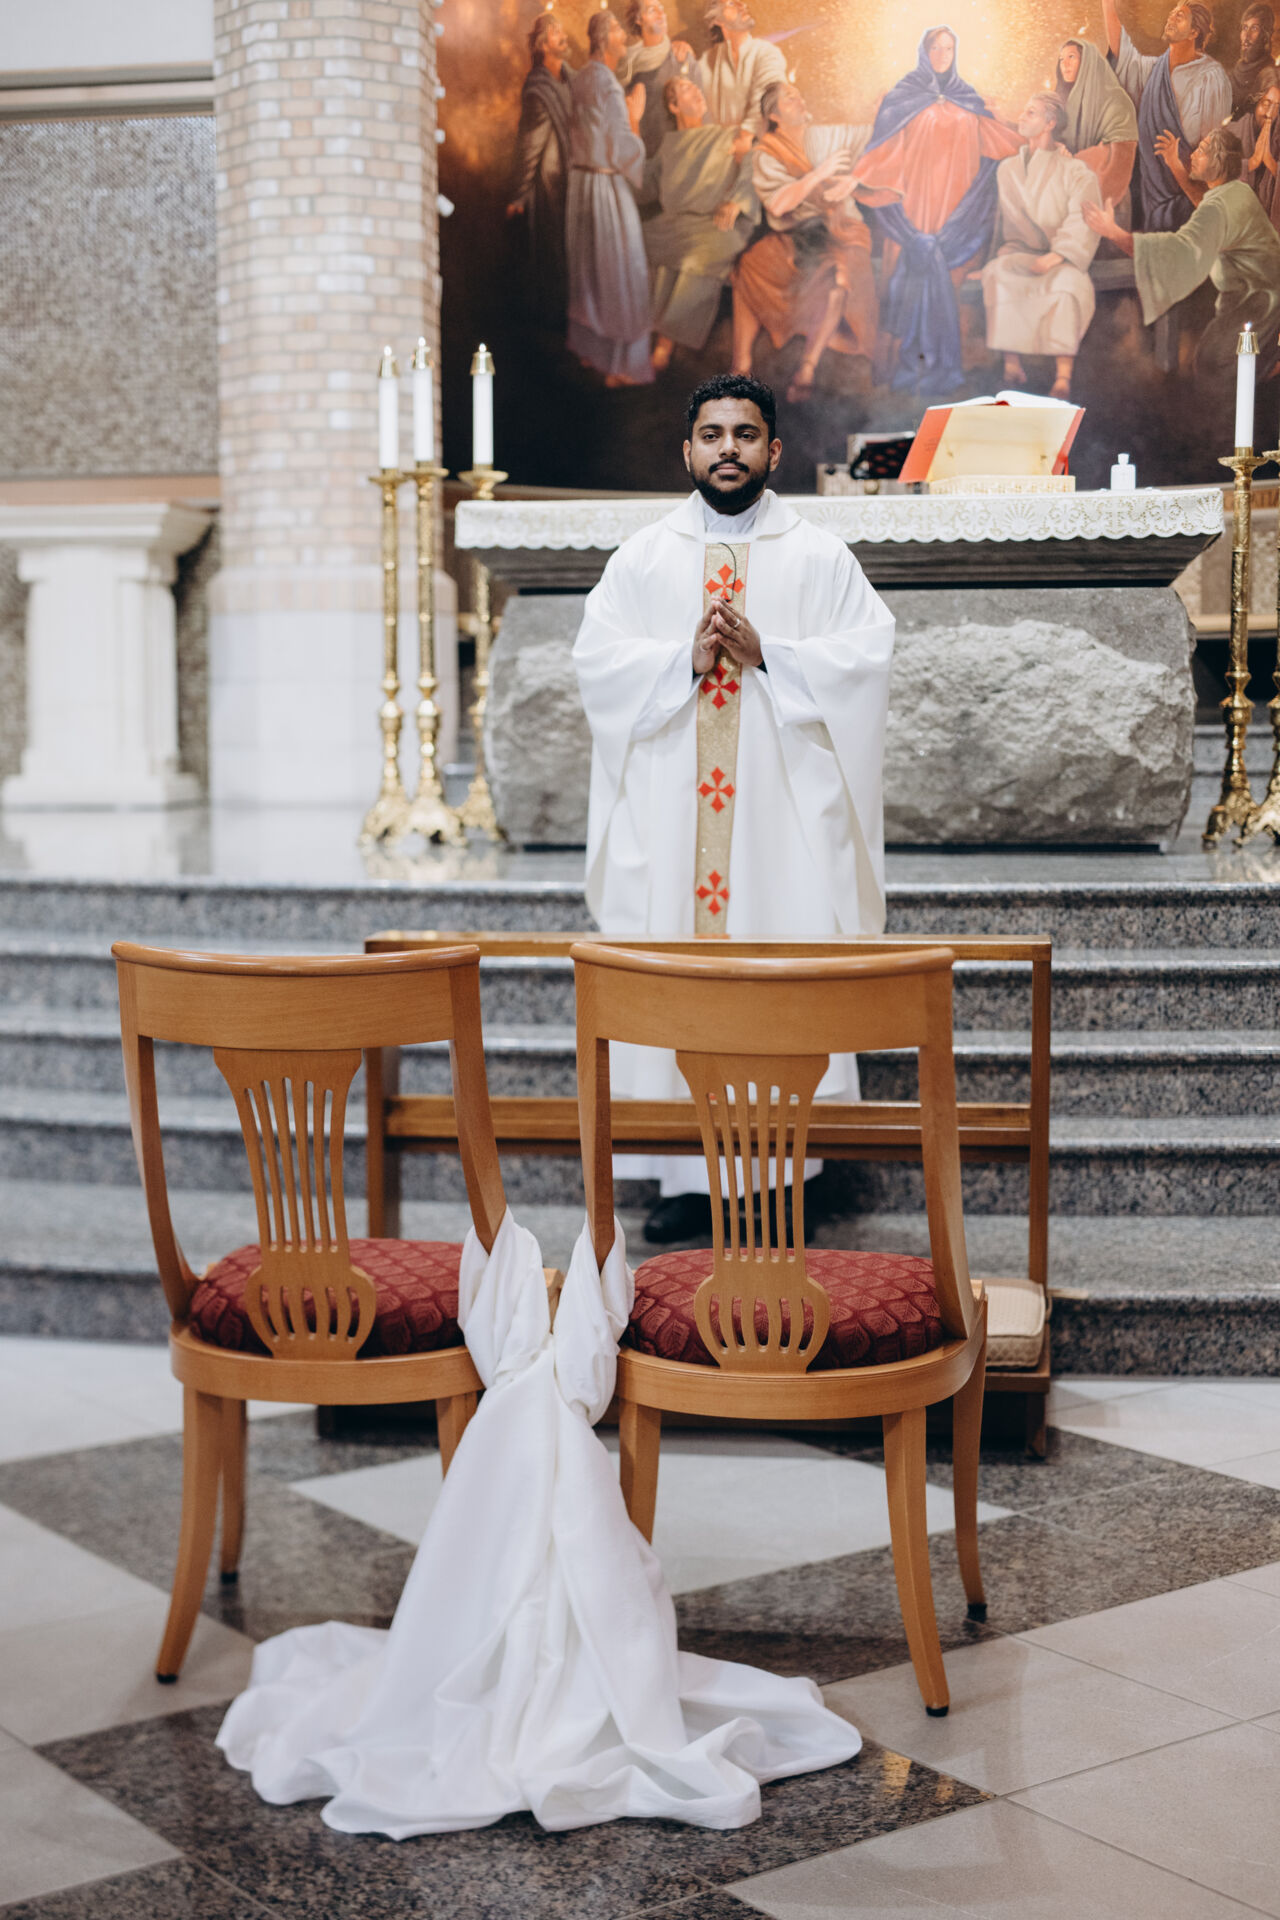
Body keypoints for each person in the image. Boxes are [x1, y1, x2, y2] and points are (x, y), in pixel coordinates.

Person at [573, 372, 894, 1245]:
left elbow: (867, 658)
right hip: (674, 820)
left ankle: (782, 1180)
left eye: (745, 435)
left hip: (778, 829)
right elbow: (598, 664)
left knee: (776, 967)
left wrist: (772, 654)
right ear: (687, 450)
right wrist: (680, 661)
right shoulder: (643, 558)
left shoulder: (818, 557)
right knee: (680, 976)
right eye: (711, 435)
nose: (728, 450)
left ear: (773, 450)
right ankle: (688, 1179)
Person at [850, 26, 1021, 392]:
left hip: (957, 212)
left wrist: (1035, 142)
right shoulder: (901, 97)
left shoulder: (969, 98)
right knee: (903, 282)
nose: (942, 55)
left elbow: (1001, 142)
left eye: (949, 48)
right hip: (914, 206)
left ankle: (947, 373)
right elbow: (883, 150)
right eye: (936, 48)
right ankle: (894, 372)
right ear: (923, 51)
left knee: (953, 282)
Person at [1084, 125, 1280, 379]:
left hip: (1260, 303)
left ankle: (1269, 365)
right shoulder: (1236, 191)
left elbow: (1178, 251)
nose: (1193, 155)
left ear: (1219, 161)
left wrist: (1113, 232)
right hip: (1256, 295)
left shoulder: (1220, 207)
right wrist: (1174, 164)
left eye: (1202, 150)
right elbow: (1206, 202)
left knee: (1213, 364)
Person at [732, 80, 878, 401]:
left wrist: (887, 107)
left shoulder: (823, 136)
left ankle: (807, 369)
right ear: (774, 115)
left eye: (799, 95)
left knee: (838, 280)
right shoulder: (765, 154)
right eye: (789, 99)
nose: (799, 101)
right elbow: (779, 204)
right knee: (749, 265)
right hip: (796, 233)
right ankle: (740, 365)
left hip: (842, 229)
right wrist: (819, 174)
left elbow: (871, 134)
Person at [979, 92, 1102, 399]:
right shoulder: (1007, 170)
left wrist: (1056, 256)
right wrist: (1000, 255)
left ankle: (1063, 377)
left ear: (1050, 123)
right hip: (1021, 253)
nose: (1022, 117)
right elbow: (1001, 223)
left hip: (1063, 258)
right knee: (998, 273)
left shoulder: (1075, 171)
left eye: (1031, 113)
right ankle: (1012, 366)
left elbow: (1083, 218)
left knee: (1066, 287)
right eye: (1024, 111)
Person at [640, 76, 759, 369]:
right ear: (673, 106)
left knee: (693, 255)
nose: (696, 91)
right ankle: (636, 339)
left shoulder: (729, 135)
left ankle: (663, 348)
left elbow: (753, 165)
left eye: (696, 87)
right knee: (637, 243)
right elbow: (644, 186)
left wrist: (736, 200)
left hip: (716, 224)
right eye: (685, 89)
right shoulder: (669, 145)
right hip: (675, 224)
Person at [566, 9, 655, 386]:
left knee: (591, 277)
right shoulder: (609, 85)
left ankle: (592, 353)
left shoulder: (581, 77)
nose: (625, 37)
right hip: (606, 188)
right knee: (623, 273)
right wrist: (636, 117)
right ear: (604, 40)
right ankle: (621, 367)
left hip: (581, 187)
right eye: (619, 31)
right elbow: (621, 147)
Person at [1102, 0, 1232, 231]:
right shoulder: (1153, 70)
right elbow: (1122, 51)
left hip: (1191, 199)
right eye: (1172, 13)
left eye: (1179, 16)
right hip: (1153, 199)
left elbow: (1212, 151)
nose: (1171, 18)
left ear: (1194, 32)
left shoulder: (1210, 77)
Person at [506, 13, 577, 328]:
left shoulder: (571, 78)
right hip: (552, 181)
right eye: (555, 32)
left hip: (575, 176)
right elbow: (531, 142)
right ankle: (556, 320)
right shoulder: (539, 87)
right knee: (555, 252)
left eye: (562, 30)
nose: (563, 35)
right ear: (542, 45)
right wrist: (519, 194)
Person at [1055, 36, 1139, 209]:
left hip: (1108, 202)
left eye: (1071, 57)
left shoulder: (1117, 101)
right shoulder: (1063, 101)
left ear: (1088, 61)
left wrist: (1071, 161)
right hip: (1068, 197)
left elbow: (1117, 159)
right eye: (1061, 59)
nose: (1065, 64)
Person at [695, 0, 786, 141]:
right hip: (720, 145)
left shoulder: (766, 52)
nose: (741, 5)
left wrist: (745, 135)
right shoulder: (707, 61)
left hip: (758, 144)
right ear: (717, 20)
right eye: (731, 3)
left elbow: (770, 96)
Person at [618, 0, 695, 156]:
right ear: (639, 20)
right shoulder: (628, 62)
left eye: (661, 9)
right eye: (652, 11)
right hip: (638, 151)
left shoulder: (680, 56)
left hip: (674, 153)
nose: (661, 15)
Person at [1247, 81, 1280, 230]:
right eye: (1266, 104)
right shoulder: (1236, 130)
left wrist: (1269, 160)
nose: (1270, 114)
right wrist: (1252, 162)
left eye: (1277, 107)